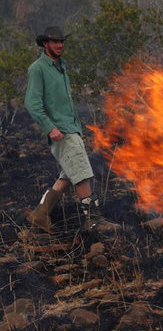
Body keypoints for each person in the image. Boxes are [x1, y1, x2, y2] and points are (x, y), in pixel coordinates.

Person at [25, 26, 103, 232]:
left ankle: (40, 214)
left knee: (69, 174)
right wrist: (50, 128)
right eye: (54, 42)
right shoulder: (38, 68)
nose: (60, 45)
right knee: (82, 173)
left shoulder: (61, 67)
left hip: (71, 128)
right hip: (61, 131)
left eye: (61, 41)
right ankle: (94, 221)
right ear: (45, 44)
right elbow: (32, 103)